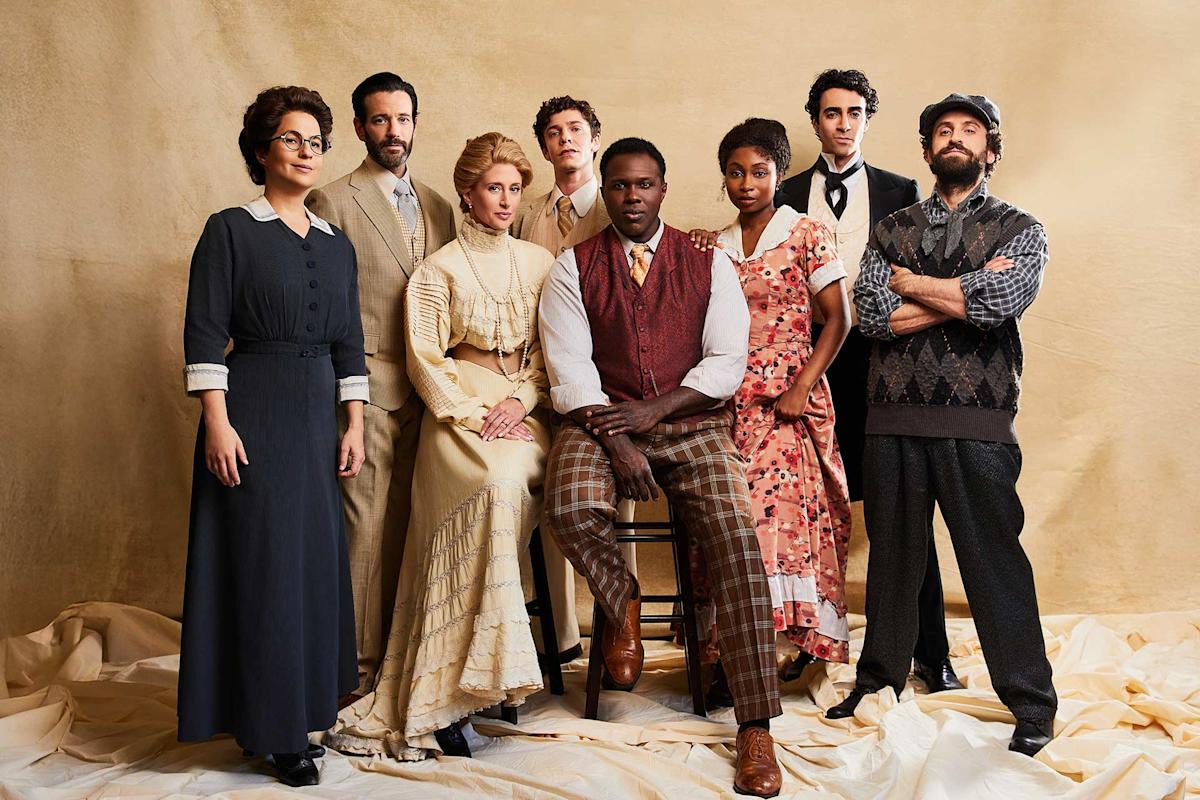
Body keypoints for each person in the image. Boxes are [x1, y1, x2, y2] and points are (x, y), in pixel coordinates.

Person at [539, 137, 784, 798]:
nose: (632, 197)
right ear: (607, 190)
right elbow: (570, 369)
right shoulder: (573, 266)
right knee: (565, 505)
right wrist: (619, 438)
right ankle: (622, 603)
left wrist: (657, 411)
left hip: (690, 423)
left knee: (737, 538)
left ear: (663, 189)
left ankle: (756, 728)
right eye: (619, 186)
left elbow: (725, 363)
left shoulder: (707, 263)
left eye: (644, 185)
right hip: (601, 423)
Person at [827, 94, 1057, 757]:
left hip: (979, 421)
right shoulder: (890, 228)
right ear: (926, 149)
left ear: (991, 149)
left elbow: (1000, 302)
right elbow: (871, 316)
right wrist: (959, 293)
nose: (955, 139)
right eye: (942, 132)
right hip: (891, 416)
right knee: (892, 565)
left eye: (970, 130)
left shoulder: (1020, 228)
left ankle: (1032, 705)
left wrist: (913, 285)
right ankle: (877, 682)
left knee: (994, 565)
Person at [325, 132, 554, 761]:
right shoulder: (438, 269)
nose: (505, 200)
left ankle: (481, 683)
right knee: (486, 486)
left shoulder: (541, 264)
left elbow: (552, 355)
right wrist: (473, 411)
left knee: (508, 485)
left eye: (514, 188)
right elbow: (425, 362)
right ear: (467, 194)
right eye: (492, 188)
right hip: (458, 415)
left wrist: (520, 404)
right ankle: (445, 694)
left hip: (524, 409)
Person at [178, 85, 365, 787]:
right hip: (252, 412)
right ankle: (272, 729)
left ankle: (304, 712)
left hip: (320, 420)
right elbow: (203, 329)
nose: (307, 151)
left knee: (311, 569)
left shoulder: (336, 245)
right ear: (261, 150)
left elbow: (351, 342)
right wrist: (217, 422)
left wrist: (354, 424)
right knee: (265, 569)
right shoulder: (229, 229)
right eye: (292, 138)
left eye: (317, 140)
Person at [770, 68, 962, 693]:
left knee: (901, 511)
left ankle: (931, 653)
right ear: (816, 121)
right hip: (811, 366)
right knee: (812, 512)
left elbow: (919, 274)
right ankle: (811, 644)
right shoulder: (786, 192)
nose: (843, 124)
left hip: (886, 366)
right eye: (832, 114)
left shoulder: (903, 189)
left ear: (868, 120)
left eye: (854, 113)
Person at [688, 118, 853, 708]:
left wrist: (801, 388)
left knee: (778, 525)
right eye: (735, 173)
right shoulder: (714, 245)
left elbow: (839, 318)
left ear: (779, 174)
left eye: (758, 172)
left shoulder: (807, 233)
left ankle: (774, 651)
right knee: (727, 523)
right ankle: (730, 652)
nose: (746, 183)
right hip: (726, 397)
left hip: (788, 398)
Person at [306, 72, 455, 703]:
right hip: (367, 388)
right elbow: (328, 312)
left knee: (423, 530)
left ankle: (407, 663)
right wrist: (347, 399)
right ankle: (356, 674)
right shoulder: (331, 202)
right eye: (379, 120)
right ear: (361, 126)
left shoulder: (443, 206)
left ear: (416, 122)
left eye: (403, 119)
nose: (393, 132)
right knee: (365, 532)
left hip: (437, 394)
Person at [512, 95, 633, 665]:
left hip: (605, 381)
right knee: (548, 507)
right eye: (554, 132)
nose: (566, 139)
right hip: (537, 376)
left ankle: (617, 623)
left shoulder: (618, 207)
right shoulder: (525, 212)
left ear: (595, 137)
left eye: (576, 129)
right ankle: (558, 636)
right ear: (543, 146)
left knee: (615, 510)